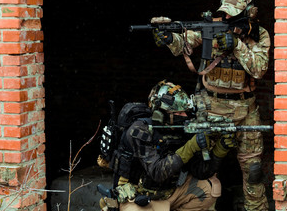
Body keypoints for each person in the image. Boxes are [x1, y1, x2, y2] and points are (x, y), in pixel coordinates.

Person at [152, 0, 270, 211]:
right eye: (224, 12)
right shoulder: (212, 25)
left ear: (248, 13)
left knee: (253, 170)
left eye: (232, 14)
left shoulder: (259, 34)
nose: (226, 18)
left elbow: (260, 69)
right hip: (212, 107)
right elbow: (184, 43)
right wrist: (169, 37)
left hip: (246, 109)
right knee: (205, 167)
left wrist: (237, 45)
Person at [98, 81, 236, 211]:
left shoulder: (181, 127)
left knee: (209, 188)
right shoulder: (139, 130)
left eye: (185, 112)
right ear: (160, 114)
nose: (184, 116)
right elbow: (157, 172)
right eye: (178, 113)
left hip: (169, 193)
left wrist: (221, 148)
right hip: (138, 197)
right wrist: (191, 146)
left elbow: (201, 171)